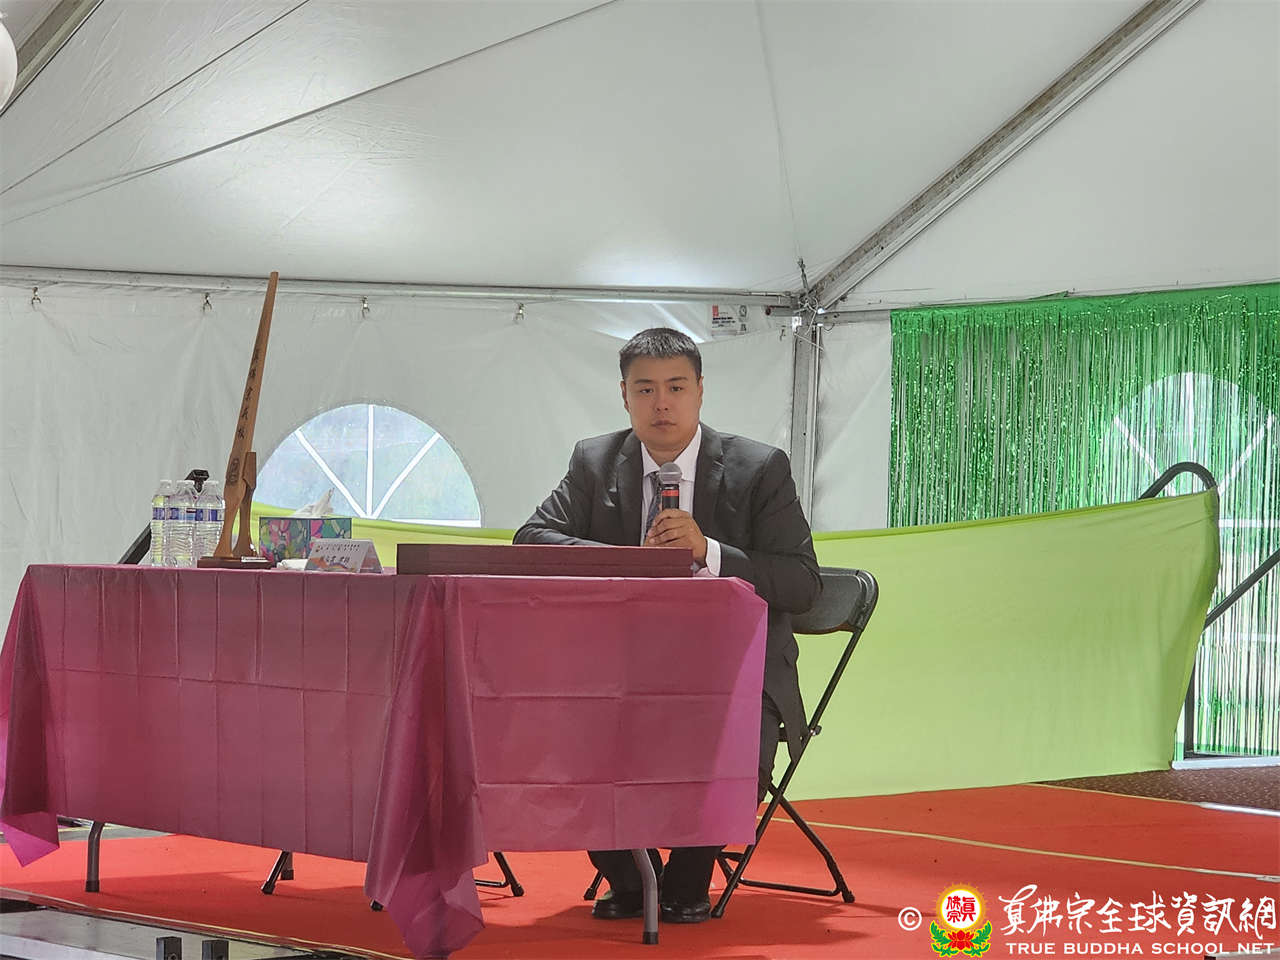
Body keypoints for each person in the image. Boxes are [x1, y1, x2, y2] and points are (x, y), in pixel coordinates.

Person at [514, 327, 821, 924]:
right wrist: (629, 563)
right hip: (619, 660)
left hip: (733, 665)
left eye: (676, 387)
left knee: (733, 732)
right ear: (623, 396)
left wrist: (709, 551)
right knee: (558, 722)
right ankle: (629, 876)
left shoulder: (760, 468)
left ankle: (687, 876)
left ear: (700, 391)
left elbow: (803, 584)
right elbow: (531, 539)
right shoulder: (595, 460)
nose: (662, 404)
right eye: (645, 389)